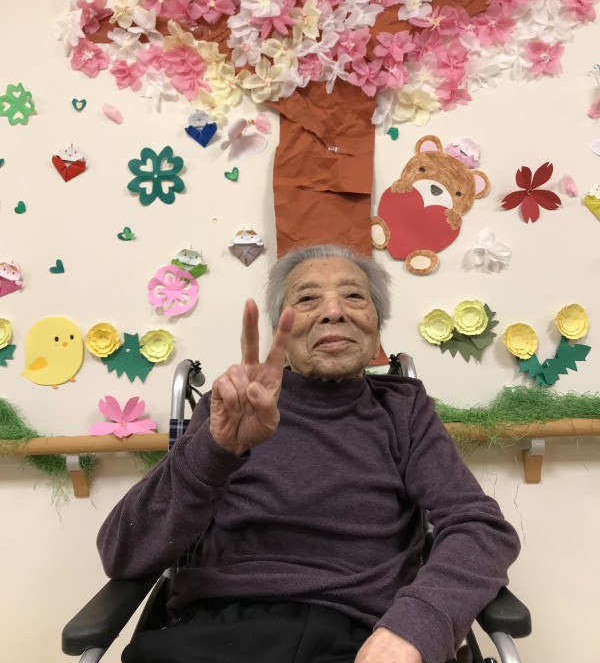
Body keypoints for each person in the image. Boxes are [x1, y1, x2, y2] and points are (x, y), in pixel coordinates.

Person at [98, 244, 520, 663]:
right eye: (307, 299)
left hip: (369, 635)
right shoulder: (228, 408)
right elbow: (122, 552)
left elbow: (480, 527)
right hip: (219, 631)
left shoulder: (402, 410)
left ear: (376, 327)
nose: (333, 311)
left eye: (353, 296)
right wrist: (217, 450)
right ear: (280, 329)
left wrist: (415, 627)